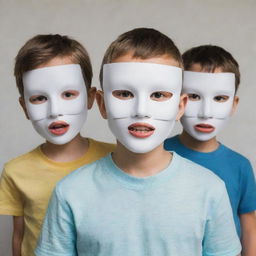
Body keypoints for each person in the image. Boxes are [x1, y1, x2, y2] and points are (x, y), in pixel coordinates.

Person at [35, 28, 241, 256]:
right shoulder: (70, 193)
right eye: (124, 94)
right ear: (102, 104)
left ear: (180, 106)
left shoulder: (210, 189)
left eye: (158, 95)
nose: (141, 111)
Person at [0, 34, 115, 256]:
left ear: (91, 98)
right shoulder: (16, 171)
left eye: (68, 94)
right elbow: (19, 235)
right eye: (39, 98)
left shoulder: (116, 158)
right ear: (24, 107)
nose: (54, 110)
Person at [164, 45, 256, 255]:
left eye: (220, 98)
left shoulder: (239, 165)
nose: (206, 113)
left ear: (234, 104)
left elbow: (248, 221)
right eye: (194, 97)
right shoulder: (157, 154)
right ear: (179, 101)